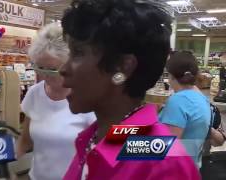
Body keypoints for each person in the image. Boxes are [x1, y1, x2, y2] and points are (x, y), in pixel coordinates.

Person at [59, 0, 200, 179]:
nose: (63, 69)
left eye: (78, 52)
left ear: (122, 67)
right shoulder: (96, 138)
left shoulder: (162, 163)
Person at [17, 22, 95, 180]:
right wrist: (0, 155)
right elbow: (25, 141)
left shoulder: (88, 99)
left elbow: (109, 151)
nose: (44, 75)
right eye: (39, 67)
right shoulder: (34, 93)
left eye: (52, 69)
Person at [159, 51, 211, 168]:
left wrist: (124, 142)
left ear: (171, 75)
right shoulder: (202, 98)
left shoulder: (178, 101)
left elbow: (165, 147)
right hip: (192, 167)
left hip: (175, 170)